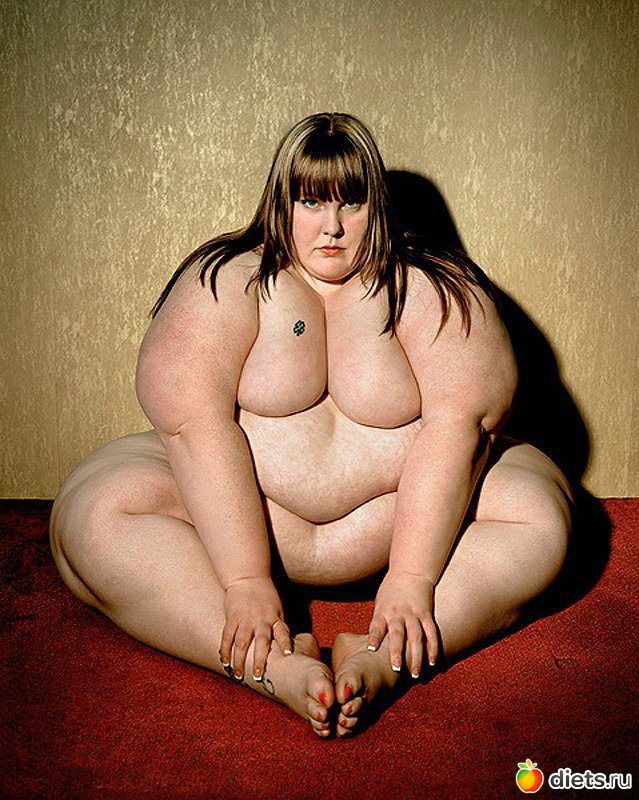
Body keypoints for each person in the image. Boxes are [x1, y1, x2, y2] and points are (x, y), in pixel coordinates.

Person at [50, 112, 572, 738]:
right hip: (238, 522)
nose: (332, 226)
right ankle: (273, 665)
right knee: (94, 519)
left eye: (351, 202)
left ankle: (383, 658)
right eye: (312, 202)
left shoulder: (432, 286)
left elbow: (464, 427)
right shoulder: (229, 279)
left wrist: (412, 579)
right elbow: (193, 425)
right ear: (282, 201)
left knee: (542, 519)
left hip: (409, 530)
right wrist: (244, 579)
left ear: (376, 206)